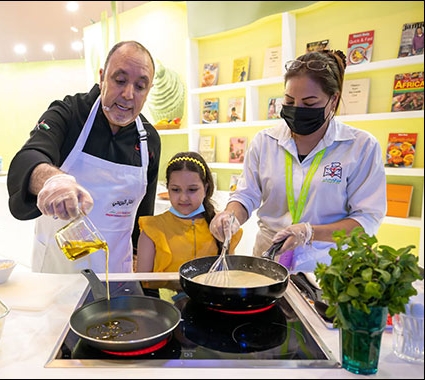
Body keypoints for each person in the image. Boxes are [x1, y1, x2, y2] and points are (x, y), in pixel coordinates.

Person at [209, 49, 386, 273]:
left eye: (310, 103)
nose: (298, 110)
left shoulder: (361, 147)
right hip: (268, 261)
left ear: (334, 100)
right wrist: (230, 216)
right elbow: (245, 195)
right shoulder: (265, 142)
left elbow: (366, 223)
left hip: (328, 268)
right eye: (290, 101)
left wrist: (309, 232)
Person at [7, 40, 161, 274]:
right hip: (59, 271)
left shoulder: (148, 140)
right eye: (119, 81)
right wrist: (53, 180)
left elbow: (144, 216)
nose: (128, 94)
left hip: (116, 272)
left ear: (148, 91)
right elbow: (31, 155)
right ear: (102, 77)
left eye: (140, 86)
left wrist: (142, 272)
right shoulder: (69, 113)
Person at [136, 152, 242, 272]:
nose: (183, 198)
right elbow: (143, 282)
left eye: (192, 190)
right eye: (176, 190)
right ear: (168, 188)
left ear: (205, 188)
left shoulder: (221, 227)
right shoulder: (152, 229)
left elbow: (228, 276)